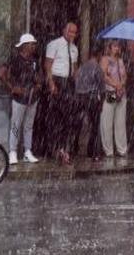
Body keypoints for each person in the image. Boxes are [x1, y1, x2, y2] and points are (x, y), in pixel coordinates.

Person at [0, 33, 41, 165]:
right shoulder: (14, 59)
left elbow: (39, 76)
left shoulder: (34, 61)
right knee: (16, 126)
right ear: (25, 46)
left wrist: (38, 84)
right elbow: (1, 74)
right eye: (31, 44)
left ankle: (27, 151)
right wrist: (12, 87)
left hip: (32, 97)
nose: (34, 46)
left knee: (29, 126)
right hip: (19, 98)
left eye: (34, 44)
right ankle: (12, 152)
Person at [44, 21, 79, 165]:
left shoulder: (74, 49)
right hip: (57, 81)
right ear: (64, 30)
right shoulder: (54, 44)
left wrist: (76, 85)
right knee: (55, 119)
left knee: (68, 119)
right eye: (70, 31)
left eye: (74, 33)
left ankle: (64, 150)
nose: (72, 35)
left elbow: (75, 69)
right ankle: (54, 149)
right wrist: (51, 83)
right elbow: (47, 65)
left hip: (68, 83)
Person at [74, 43, 106, 161]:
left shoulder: (82, 67)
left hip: (80, 98)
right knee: (95, 125)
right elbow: (102, 88)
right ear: (99, 55)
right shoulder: (97, 68)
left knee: (79, 124)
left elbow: (76, 82)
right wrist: (102, 102)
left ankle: (75, 147)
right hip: (92, 98)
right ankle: (92, 151)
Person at [99, 39, 128, 158]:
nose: (117, 48)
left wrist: (122, 84)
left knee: (120, 122)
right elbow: (103, 76)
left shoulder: (120, 61)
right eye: (115, 46)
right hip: (110, 92)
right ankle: (109, 150)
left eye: (118, 46)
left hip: (121, 93)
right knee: (107, 121)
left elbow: (125, 75)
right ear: (110, 47)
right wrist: (116, 85)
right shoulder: (105, 59)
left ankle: (122, 149)